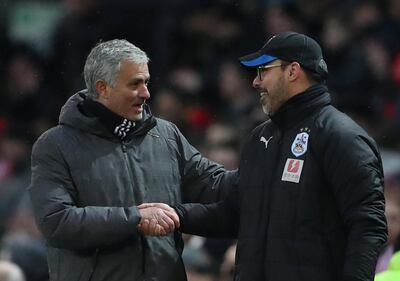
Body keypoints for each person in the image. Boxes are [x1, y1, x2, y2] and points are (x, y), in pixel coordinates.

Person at [140, 31, 388, 281]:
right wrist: (175, 215)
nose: (255, 82)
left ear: (293, 71)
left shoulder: (341, 136)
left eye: (263, 71)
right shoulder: (260, 139)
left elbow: (368, 226)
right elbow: (235, 213)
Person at [28, 39, 236, 281]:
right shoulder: (55, 145)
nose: (146, 93)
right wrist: (135, 220)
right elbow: (56, 222)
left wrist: (265, 167)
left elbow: (214, 183)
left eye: (146, 82)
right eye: (135, 84)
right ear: (103, 88)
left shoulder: (166, 135)